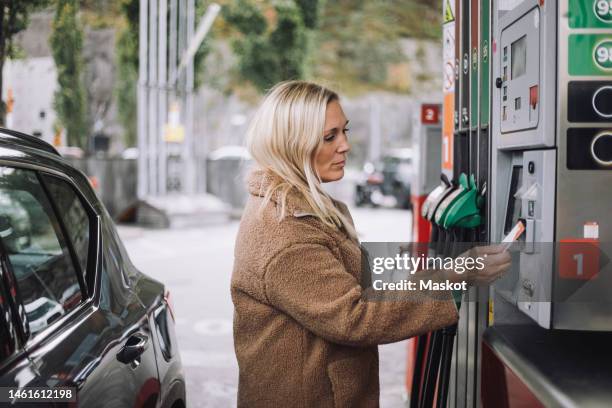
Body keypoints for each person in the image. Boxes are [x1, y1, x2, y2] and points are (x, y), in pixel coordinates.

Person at [231, 80, 511, 407]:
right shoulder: (287, 232)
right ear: (293, 144)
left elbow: (349, 282)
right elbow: (355, 316)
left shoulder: (299, 209)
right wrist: (459, 275)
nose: (345, 145)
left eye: (344, 131)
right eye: (329, 136)